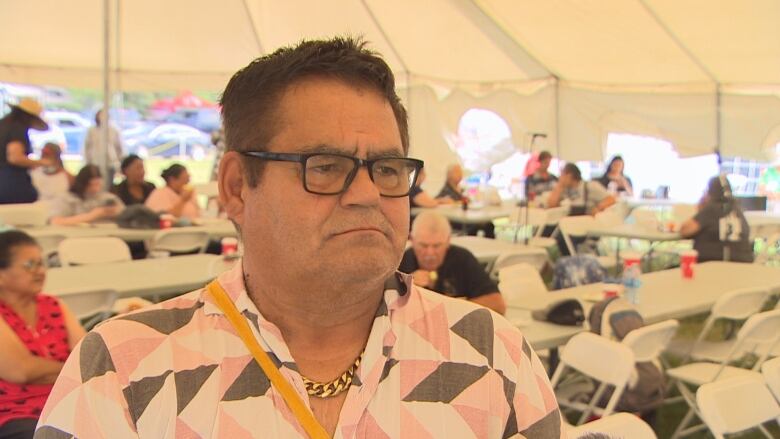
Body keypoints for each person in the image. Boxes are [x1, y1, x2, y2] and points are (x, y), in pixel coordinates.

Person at [37, 37, 562, 438]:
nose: (366, 194)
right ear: (238, 187)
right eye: (326, 166)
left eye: (388, 168)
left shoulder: (490, 353)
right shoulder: (124, 368)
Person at [0, 231, 85, 438]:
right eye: (30, 265)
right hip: (16, 413)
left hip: (69, 401)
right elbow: (20, 370)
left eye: (41, 263)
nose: (40, 271)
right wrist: (72, 370)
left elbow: (89, 356)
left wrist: (47, 371)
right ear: (1, 275)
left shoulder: (53, 304)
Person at [399, 211, 506, 315]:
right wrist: (408, 292)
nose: (430, 253)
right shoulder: (399, 262)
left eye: (437, 246)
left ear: (448, 241)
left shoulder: (462, 258)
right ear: (412, 240)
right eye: (423, 245)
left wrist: (449, 307)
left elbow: (497, 304)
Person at [680, 175, 753, 262]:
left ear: (710, 192)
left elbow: (685, 230)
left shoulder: (712, 209)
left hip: (713, 266)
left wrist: (701, 210)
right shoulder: (737, 210)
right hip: (742, 266)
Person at [0, 98, 51, 204]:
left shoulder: (3, 125)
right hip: (10, 181)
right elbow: (15, 157)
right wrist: (42, 162)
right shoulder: (17, 129)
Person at [49, 165, 124, 226]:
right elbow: (56, 221)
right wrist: (93, 215)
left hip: (107, 238)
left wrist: (117, 212)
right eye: (91, 185)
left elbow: (125, 214)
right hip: (74, 238)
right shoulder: (66, 198)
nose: (95, 189)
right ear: (81, 183)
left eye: (98, 184)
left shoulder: (108, 198)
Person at [83, 109, 123, 185]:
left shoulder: (113, 130)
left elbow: (119, 148)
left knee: (108, 184)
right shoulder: (91, 131)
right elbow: (86, 147)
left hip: (110, 163)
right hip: (95, 162)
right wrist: (87, 162)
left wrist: (119, 162)